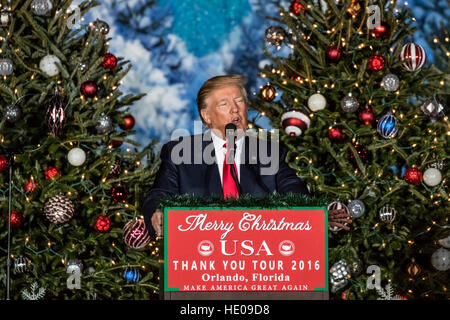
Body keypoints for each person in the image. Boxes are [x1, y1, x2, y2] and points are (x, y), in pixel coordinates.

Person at [142, 75, 352, 237]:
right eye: (224, 104)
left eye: (239, 101)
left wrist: (314, 216)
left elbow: (293, 189)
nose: (235, 109)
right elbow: (159, 193)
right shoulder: (180, 153)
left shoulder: (270, 152)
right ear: (206, 116)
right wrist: (157, 213)